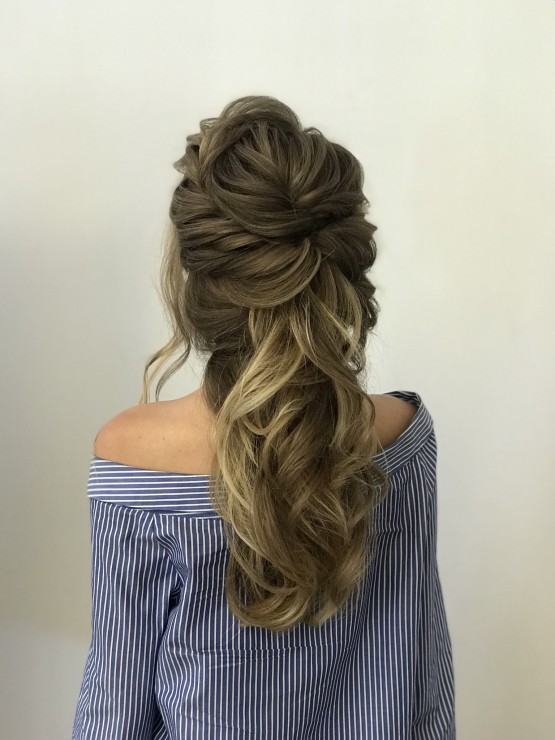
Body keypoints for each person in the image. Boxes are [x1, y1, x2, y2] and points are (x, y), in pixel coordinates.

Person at [72, 95, 455, 738]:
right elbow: (423, 675)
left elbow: (117, 707)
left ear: (196, 279)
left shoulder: (135, 455)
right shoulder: (403, 437)